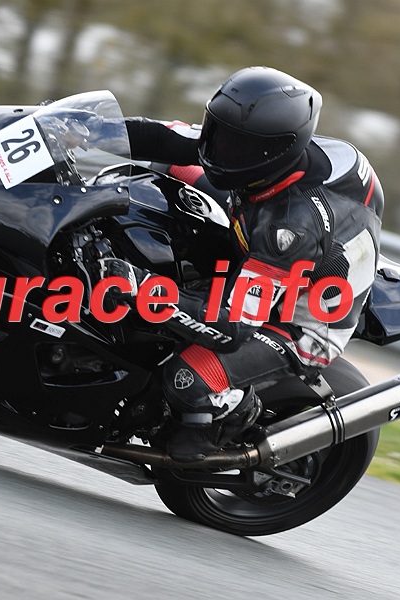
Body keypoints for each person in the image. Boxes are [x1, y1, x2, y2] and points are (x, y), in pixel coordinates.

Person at [106, 66, 384, 462]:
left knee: (186, 380)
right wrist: (68, 127)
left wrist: (139, 287)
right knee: (169, 173)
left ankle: (236, 411)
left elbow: (232, 326)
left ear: (275, 150)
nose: (218, 149)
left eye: (234, 144)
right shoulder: (256, 153)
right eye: (216, 131)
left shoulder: (290, 226)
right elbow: (160, 137)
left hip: (299, 321)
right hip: (274, 237)